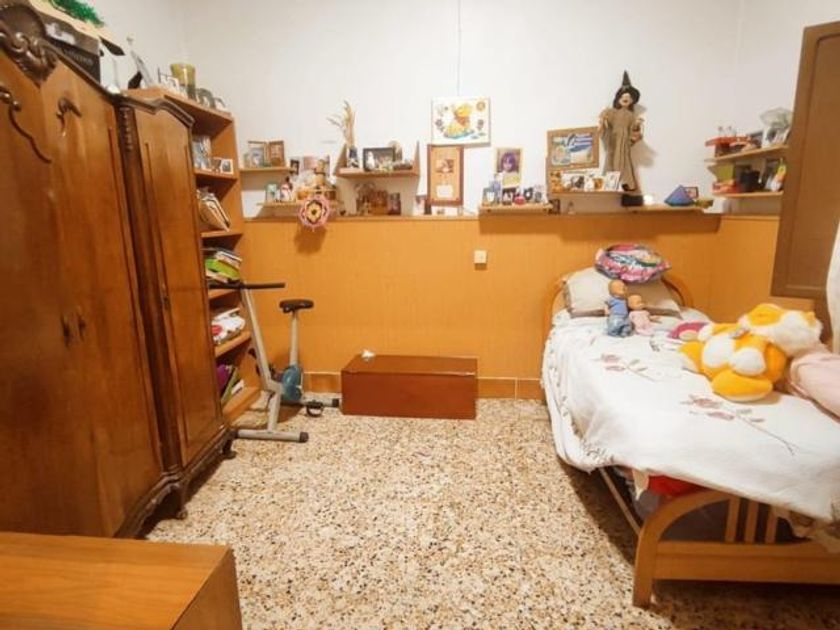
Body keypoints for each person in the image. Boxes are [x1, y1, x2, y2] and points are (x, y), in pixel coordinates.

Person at [599, 71, 644, 191]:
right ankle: (609, 183)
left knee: (624, 161)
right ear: (618, 98)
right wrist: (603, 122)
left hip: (624, 144)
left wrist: (636, 126)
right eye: (623, 97)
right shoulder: (612, 112)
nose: (626, 98)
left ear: (632, 101)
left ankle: (625, 183)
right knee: (611, 159)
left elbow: (634, 132)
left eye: (629, 98)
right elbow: (604, 125)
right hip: (613, 141)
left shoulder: (631, 116)